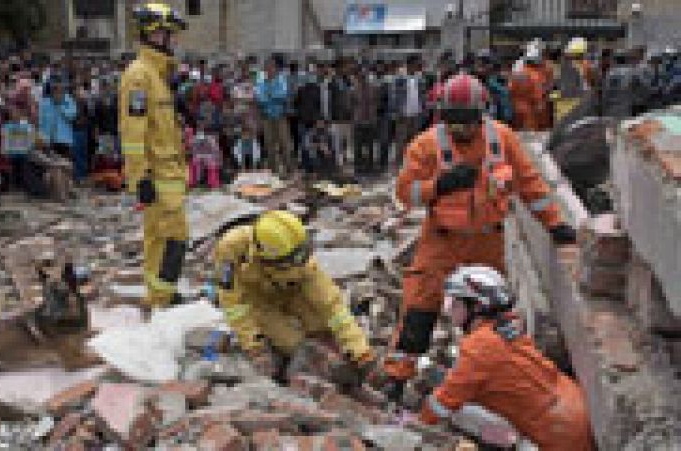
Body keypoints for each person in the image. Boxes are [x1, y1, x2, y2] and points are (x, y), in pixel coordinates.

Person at [387, 74, 577, 393]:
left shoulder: (501, 139)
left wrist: (554, 223)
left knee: (490, 313)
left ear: (481, 112)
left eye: (466, 122)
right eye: (454, 122)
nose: (460, 130)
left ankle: (490, 376)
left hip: (487, 239)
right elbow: (406, 193)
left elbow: (530, 184)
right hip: (442, 238)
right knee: (420, 306)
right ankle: (397, 375)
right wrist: (441, 185)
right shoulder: (426, 144)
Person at [418, 266, 595, 451]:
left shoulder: (479, 347)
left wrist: (416, 425)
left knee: (460, 413)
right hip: (577, 417)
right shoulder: (507, 328)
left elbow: (444, 402)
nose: (449, 310)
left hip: (557, 439)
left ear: (477, 307)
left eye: (455, 304)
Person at [214, 210, 375, 385]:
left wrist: (360, 351)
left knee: (322, 324)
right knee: (294, 343)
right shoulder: (231, 250)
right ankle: (313, 371)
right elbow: (233, 305)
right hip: (259, 301)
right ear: (269, 258)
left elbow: (332, 306)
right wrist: (254, 347)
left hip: (294, 291)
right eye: (293, 260)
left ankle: (340, 361)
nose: (301, 262)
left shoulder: (300, 261)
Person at [119, 2, 189, 308]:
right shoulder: (140, 76)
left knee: (160, 239)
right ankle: (162, 297)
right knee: (173, 239)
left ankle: (160, 295)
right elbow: (133, 133)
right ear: (154, 34)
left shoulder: (157, 75)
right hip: (158, 176)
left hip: (169, 174)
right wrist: (140, 177)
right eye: (169, 34)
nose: (173, 40)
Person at [256, 58, 294, 177]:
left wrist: (270, 95)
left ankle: (289, 169)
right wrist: (271, 96)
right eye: (267, 67)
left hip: (280, 116)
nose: (268, 69)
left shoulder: (281, 80)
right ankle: (274, 171)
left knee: (284, 143)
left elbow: (282, 95)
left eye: (271, 66)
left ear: (276, 68)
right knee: (269, 144)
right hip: (267, 116)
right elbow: (260, 98)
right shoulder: (262, 82)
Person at [39, 79, 77, 159]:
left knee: (67, 166)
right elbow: (41, 121)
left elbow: (72, 116)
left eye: (60, 89)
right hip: (48, 142)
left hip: (64, 141)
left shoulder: (69, 101)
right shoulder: (44, 103)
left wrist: (59, 105)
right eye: (55, 89)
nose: (57, 91)